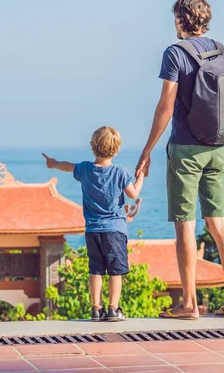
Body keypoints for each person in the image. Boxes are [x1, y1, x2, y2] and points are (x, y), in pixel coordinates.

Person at [135, 0, 224, 319]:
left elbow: (165, 107)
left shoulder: (175, 53)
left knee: (185, 226)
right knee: (219, 224)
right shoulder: (221, 49)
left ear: (181, 21)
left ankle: (189, 304)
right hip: (218, 148)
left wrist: (147, 150)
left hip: (185, 149)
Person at [43, 126, 144, 321]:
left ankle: (96, 308)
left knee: (95, 269)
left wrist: (52, 163)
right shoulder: (120, 172)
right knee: (116, 271)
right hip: (115, 230)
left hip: (92, 231)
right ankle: (114, 309)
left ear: (92, 146)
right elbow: (133, 194)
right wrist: (140, 177)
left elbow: (66, 166)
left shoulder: (85, 169)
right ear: (117, 149)